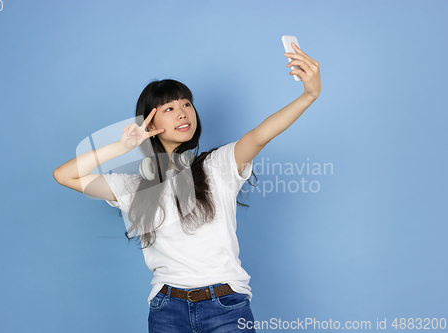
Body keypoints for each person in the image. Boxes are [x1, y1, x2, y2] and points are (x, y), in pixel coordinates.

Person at [53, 42, 321, 333]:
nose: (183, 112)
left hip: (225, 306)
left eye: (186, 104)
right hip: (166, 310)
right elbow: (65, 175)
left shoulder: (218, 166)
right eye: (169, 107)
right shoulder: (132, 186)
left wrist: (309, 95)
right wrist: (122, 147)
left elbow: (259, 136)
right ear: (149, 121)